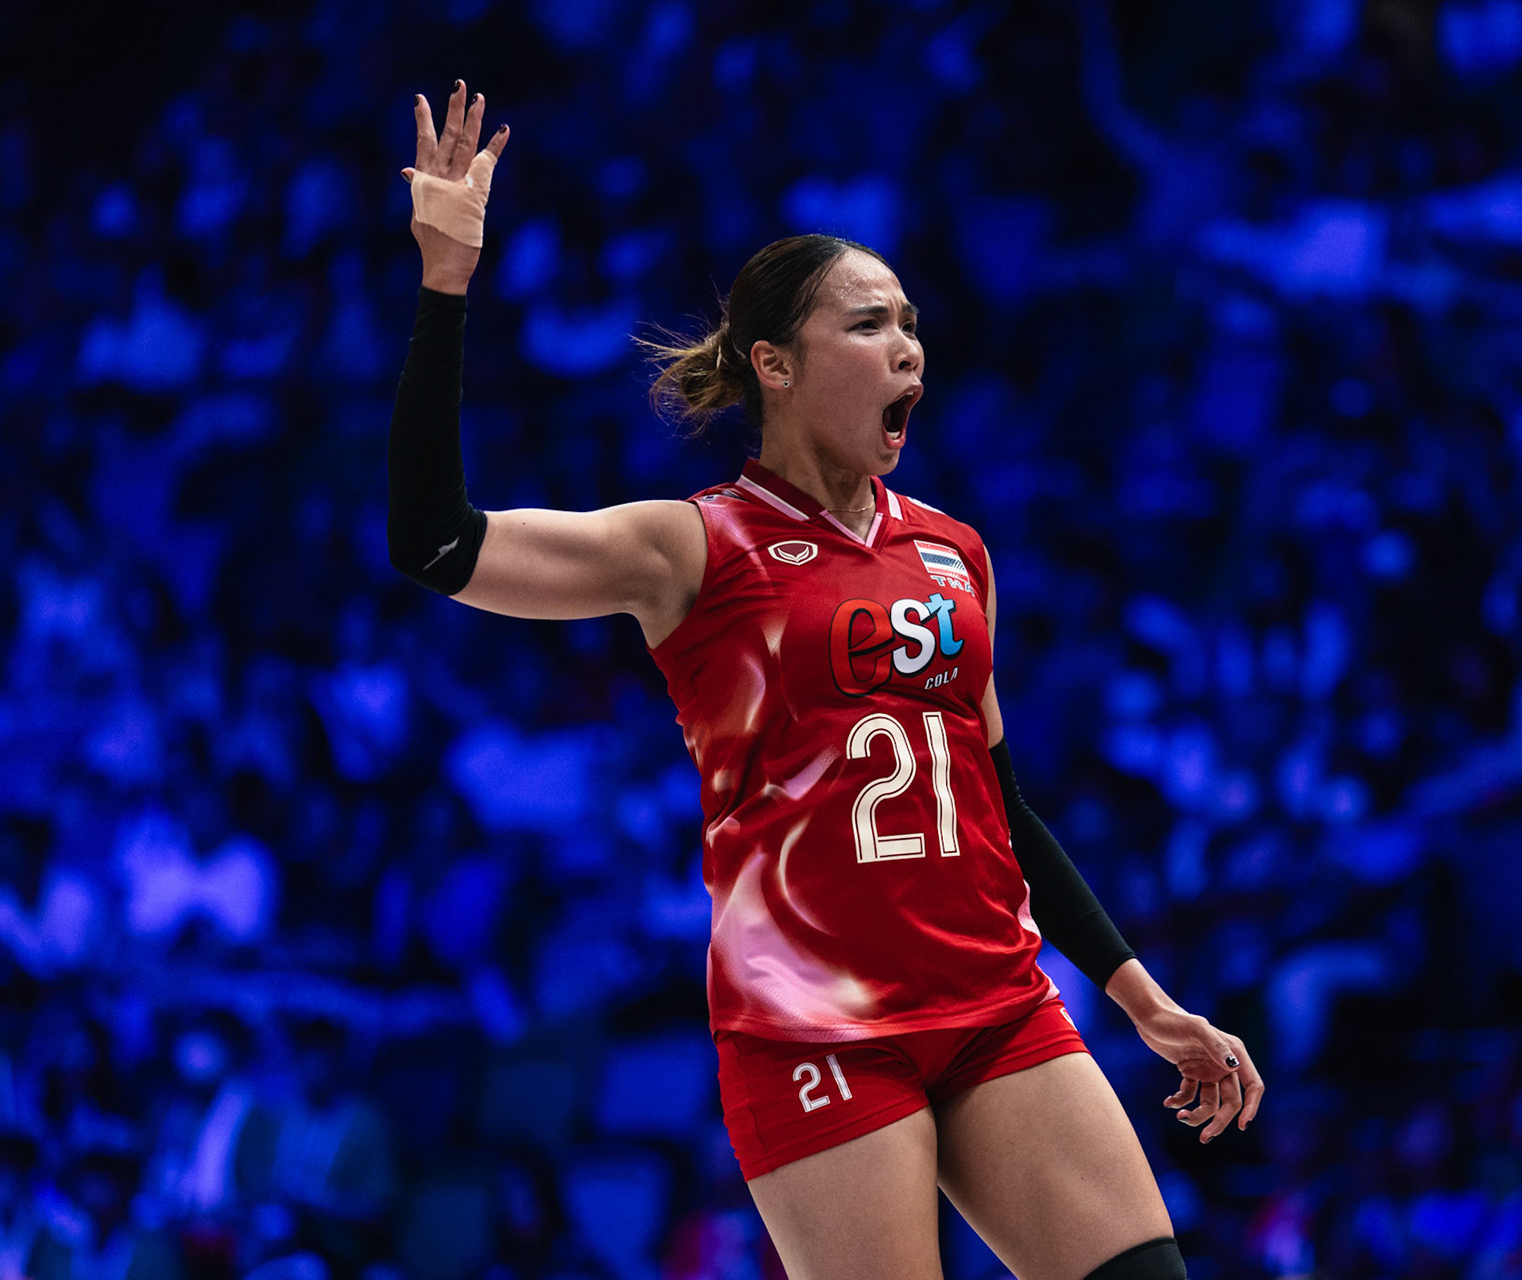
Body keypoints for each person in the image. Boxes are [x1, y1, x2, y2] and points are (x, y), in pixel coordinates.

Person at [386, 80, 1264, 1280]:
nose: (906, 345)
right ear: (776, 364)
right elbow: (436, 543)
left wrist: (1144, 999)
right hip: (816, 1031)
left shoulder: (956, 551)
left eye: (909, 321)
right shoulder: (692, 544)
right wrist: (446, 284)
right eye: (867, 323)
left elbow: (1004, 806)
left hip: (995, 1003)